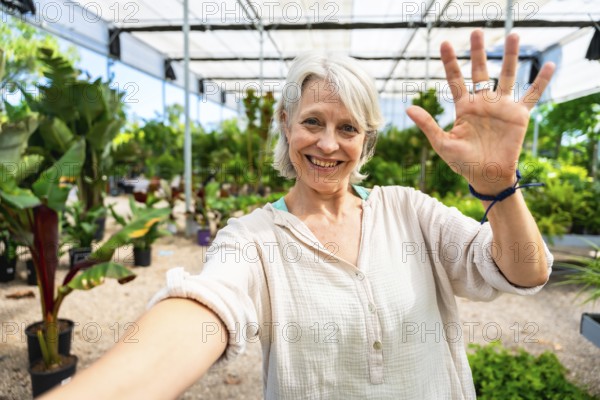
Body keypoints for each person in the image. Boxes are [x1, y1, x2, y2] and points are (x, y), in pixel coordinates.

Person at [42, 29, 554, 399]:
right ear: (285, 125)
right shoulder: (253, 238)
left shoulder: (410, 211)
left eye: (349, 129)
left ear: (366, 141)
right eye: (313, 121)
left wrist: (498, 190)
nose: (329, 144)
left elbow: (524, 271)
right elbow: (208, 303)